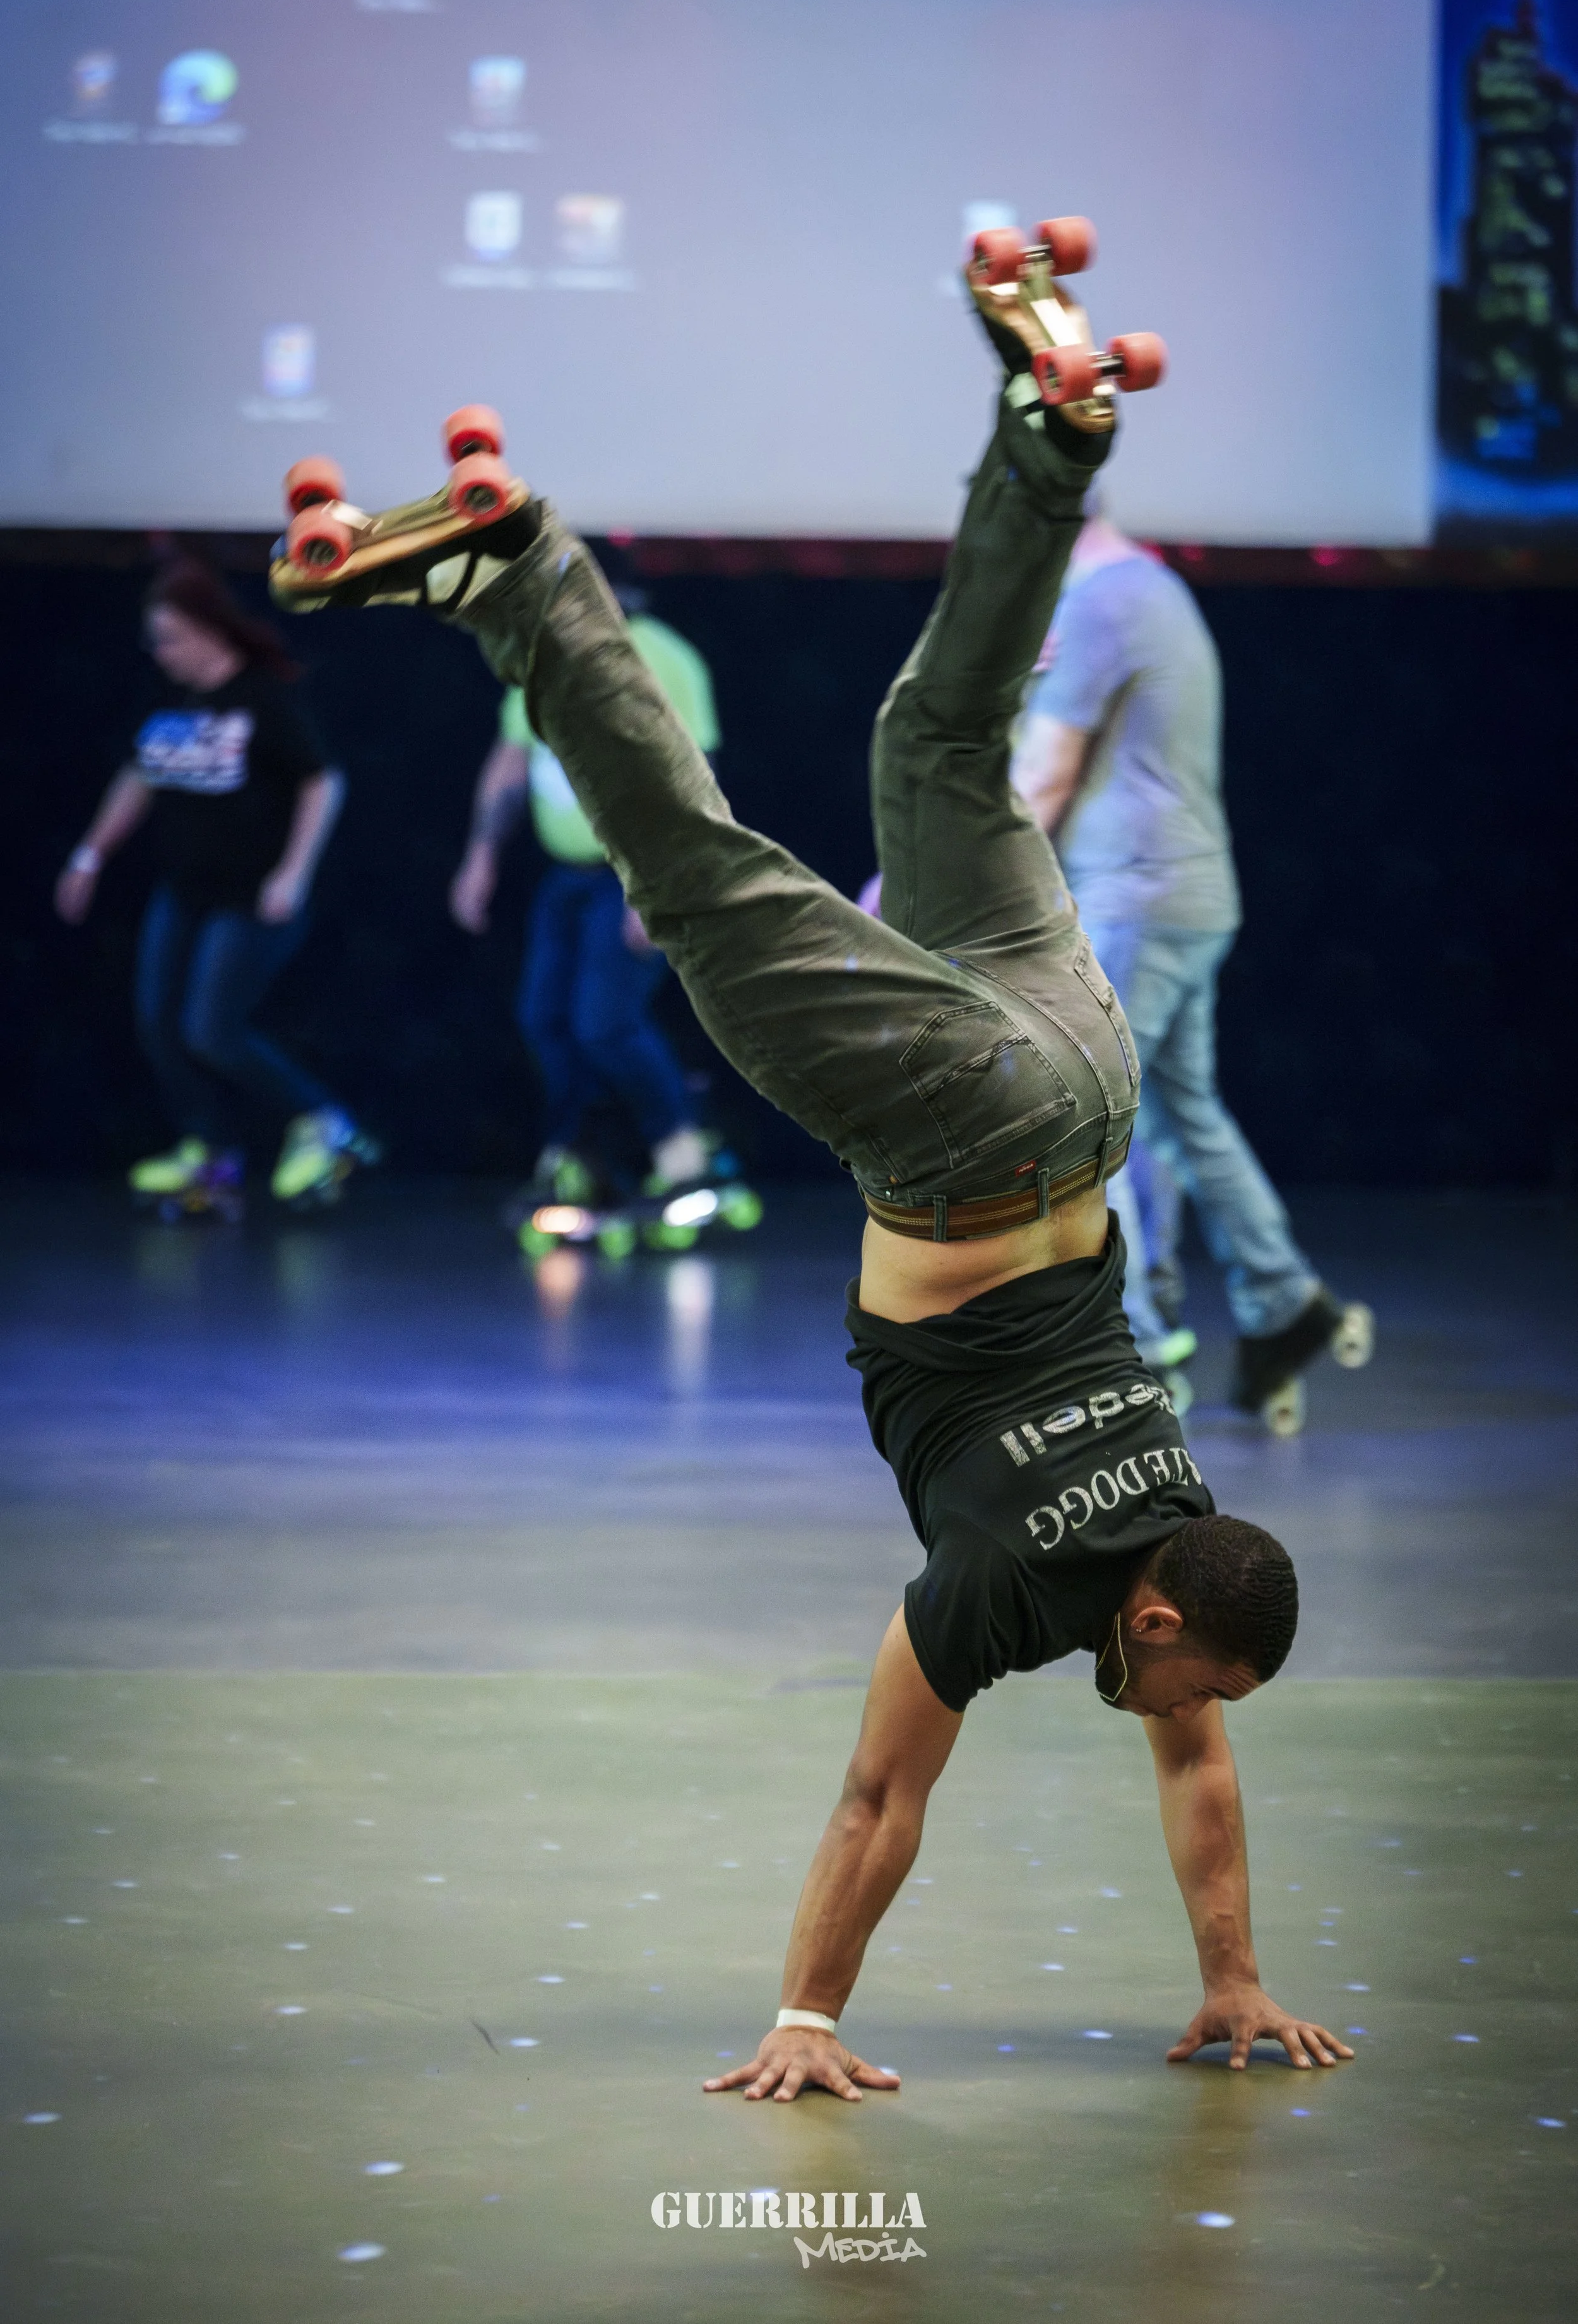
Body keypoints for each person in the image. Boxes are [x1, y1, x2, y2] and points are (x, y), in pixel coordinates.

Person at [270, 223, 1353, 2097]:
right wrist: (803, 2017)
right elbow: (876, 1788)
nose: (1188, 1723)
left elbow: (1187, 1749)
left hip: (1073, 1059)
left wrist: (1238, 1973)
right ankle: (520, 573)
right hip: (966, 1146)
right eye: (1193, 1683)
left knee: (934, 736)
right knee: (691, 881)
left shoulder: (1179, 1502)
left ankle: (1046, 437)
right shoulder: (1012, 1583)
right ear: (1158, 1616)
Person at [1013, 502, 1372, 1433]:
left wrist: (927, 878)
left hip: (1135, 896)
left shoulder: (1102, 603)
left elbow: (1042, 775)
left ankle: (1131, 1345)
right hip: (1189, 894)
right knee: (1181, 1112)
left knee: (1083, 1114)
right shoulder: (1155, 590)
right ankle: (1283, 1298)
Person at [54, 560, 376, 1214]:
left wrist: (293, 873)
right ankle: (211, 1155)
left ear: (205, 631)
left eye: (168, 637)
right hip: (185, 891)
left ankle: (326, 1124)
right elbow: (138, 777)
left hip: (253, 898)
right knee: (158, 1024)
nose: (160, 652)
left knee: (212, 1030)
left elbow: (323, 782)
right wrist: (90, 855)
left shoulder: (262, 698)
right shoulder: (171, 701)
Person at [448, 586, 720, 1207]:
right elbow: (511, 763)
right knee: (545, 1019)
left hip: (632, 874)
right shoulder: (540, 655)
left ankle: (685, 1161)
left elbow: (690, 782)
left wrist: (653, 882)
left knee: (607, 1023)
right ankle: (576, 1156)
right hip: (567, 873)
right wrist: (480, 856)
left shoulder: (662, 659)